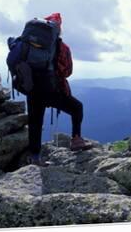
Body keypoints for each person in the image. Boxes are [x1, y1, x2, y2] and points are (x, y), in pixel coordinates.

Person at [26, 13, 92, 165]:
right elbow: (67, 71)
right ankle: (76, 140)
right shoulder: (62, 47)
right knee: (77, 107)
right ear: (58, 28)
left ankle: (34, 157)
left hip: (31, 89)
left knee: (35, 121)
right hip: (52, 90)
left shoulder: (29, 44)